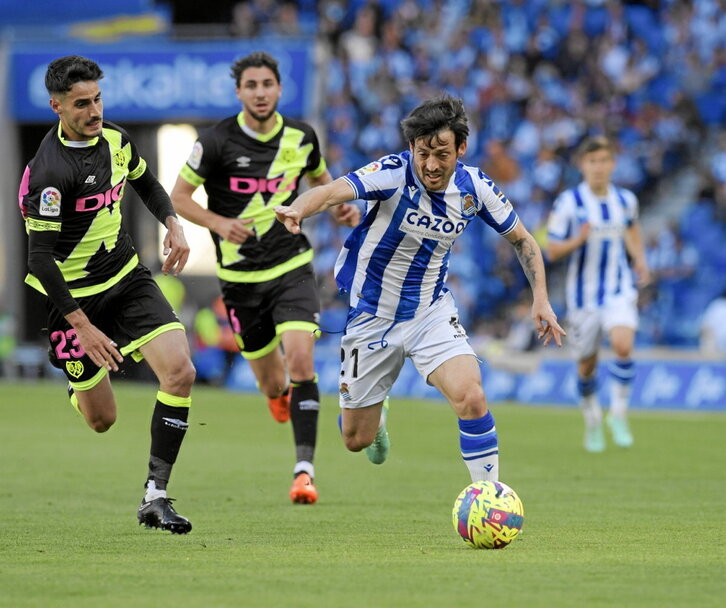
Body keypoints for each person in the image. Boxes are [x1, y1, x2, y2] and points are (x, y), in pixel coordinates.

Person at [276, 96, 564, 485]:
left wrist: (541, 299)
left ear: (461, 148)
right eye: (422, 152)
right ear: (411, 147)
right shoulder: (393, 173)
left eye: (441, 153)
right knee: (355, 439)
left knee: (471, 396)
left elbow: (524, 241)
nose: (430, 164)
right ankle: (377, 416)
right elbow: (330, 191)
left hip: (429, 313)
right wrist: (298, 209)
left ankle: (489, 495)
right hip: (372, 316)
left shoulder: (475, 187)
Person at [170, 51, 359, 504]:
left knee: (301, 361)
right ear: (239, 92)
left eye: (267, 84)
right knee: (274, 383)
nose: (260, 92)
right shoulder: (214, 143)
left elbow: (322, 181)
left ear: (279, 89)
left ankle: (304, 473)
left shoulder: (302, 136)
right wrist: (217, 223)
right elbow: (178, 197)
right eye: (251, 85)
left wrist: (341, 208)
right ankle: (277, 396)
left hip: (291, 265)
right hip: (239, 278)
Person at [18, 55, 196, 533]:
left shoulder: (115, 139)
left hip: (126, 278)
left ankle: (155, 497)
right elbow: (39, 259)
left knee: (179, 370)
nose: (94, 111)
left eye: (97, 99)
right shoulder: (50, 173)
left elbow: (146, 182)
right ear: (56, 106)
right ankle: (80, 387)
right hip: (70, 300)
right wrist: (82, 325)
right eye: (81, 104)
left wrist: (173, 224)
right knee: (102, 420)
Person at [546, 135, 650, 453]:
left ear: (613, 164)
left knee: (623, 344)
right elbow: (551, 250)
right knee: (586, 366)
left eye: (604, 161)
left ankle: (617, 414)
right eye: (593, 162)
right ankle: (592, 419)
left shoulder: (625, 200)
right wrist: (578, 239)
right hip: (583, 299)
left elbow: (631, 228)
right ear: (582, 166)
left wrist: (640, 259)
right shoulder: (568, 203)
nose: (599, 168)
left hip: (619, 289)